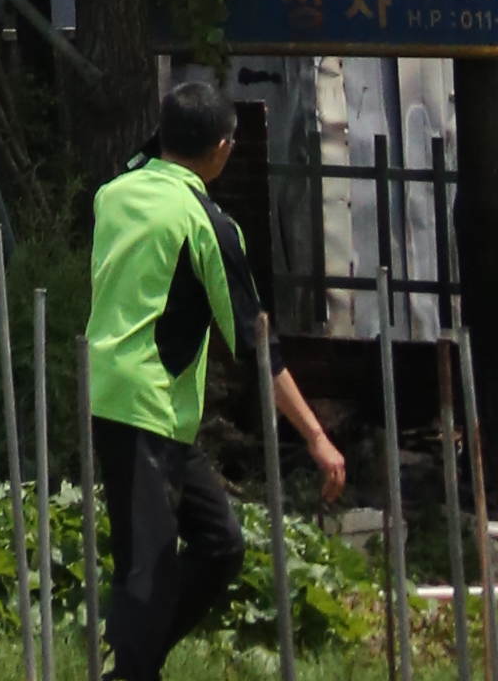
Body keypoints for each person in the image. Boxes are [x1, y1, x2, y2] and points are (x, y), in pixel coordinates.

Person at [89, 71, 348, 679]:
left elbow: (141, 161)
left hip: (142, 406)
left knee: (220, 544)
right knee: (145, 570)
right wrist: (315, 435)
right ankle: (131, 666)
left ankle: (134, 661)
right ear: (222, 150)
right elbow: (258, 343)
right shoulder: (206, 222)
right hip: (141, 404)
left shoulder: (114, 192)